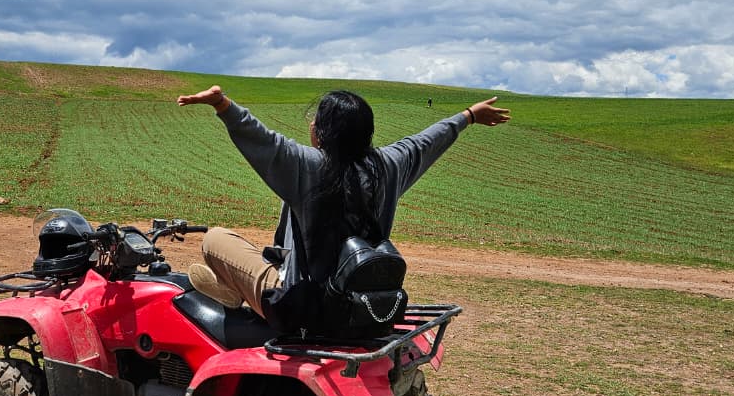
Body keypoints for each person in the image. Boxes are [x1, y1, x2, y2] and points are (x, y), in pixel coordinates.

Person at [175, 85, 510, 318]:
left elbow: (264, 140)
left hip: (305, 305)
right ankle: (235, 291)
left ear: (321, 132)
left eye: (316, 121)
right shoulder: (387, 166)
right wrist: (468, 116)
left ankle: (234, 292)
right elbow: (425, 142)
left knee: (215, 239)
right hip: (361, 299)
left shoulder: (308, 167)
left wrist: (223, 105)